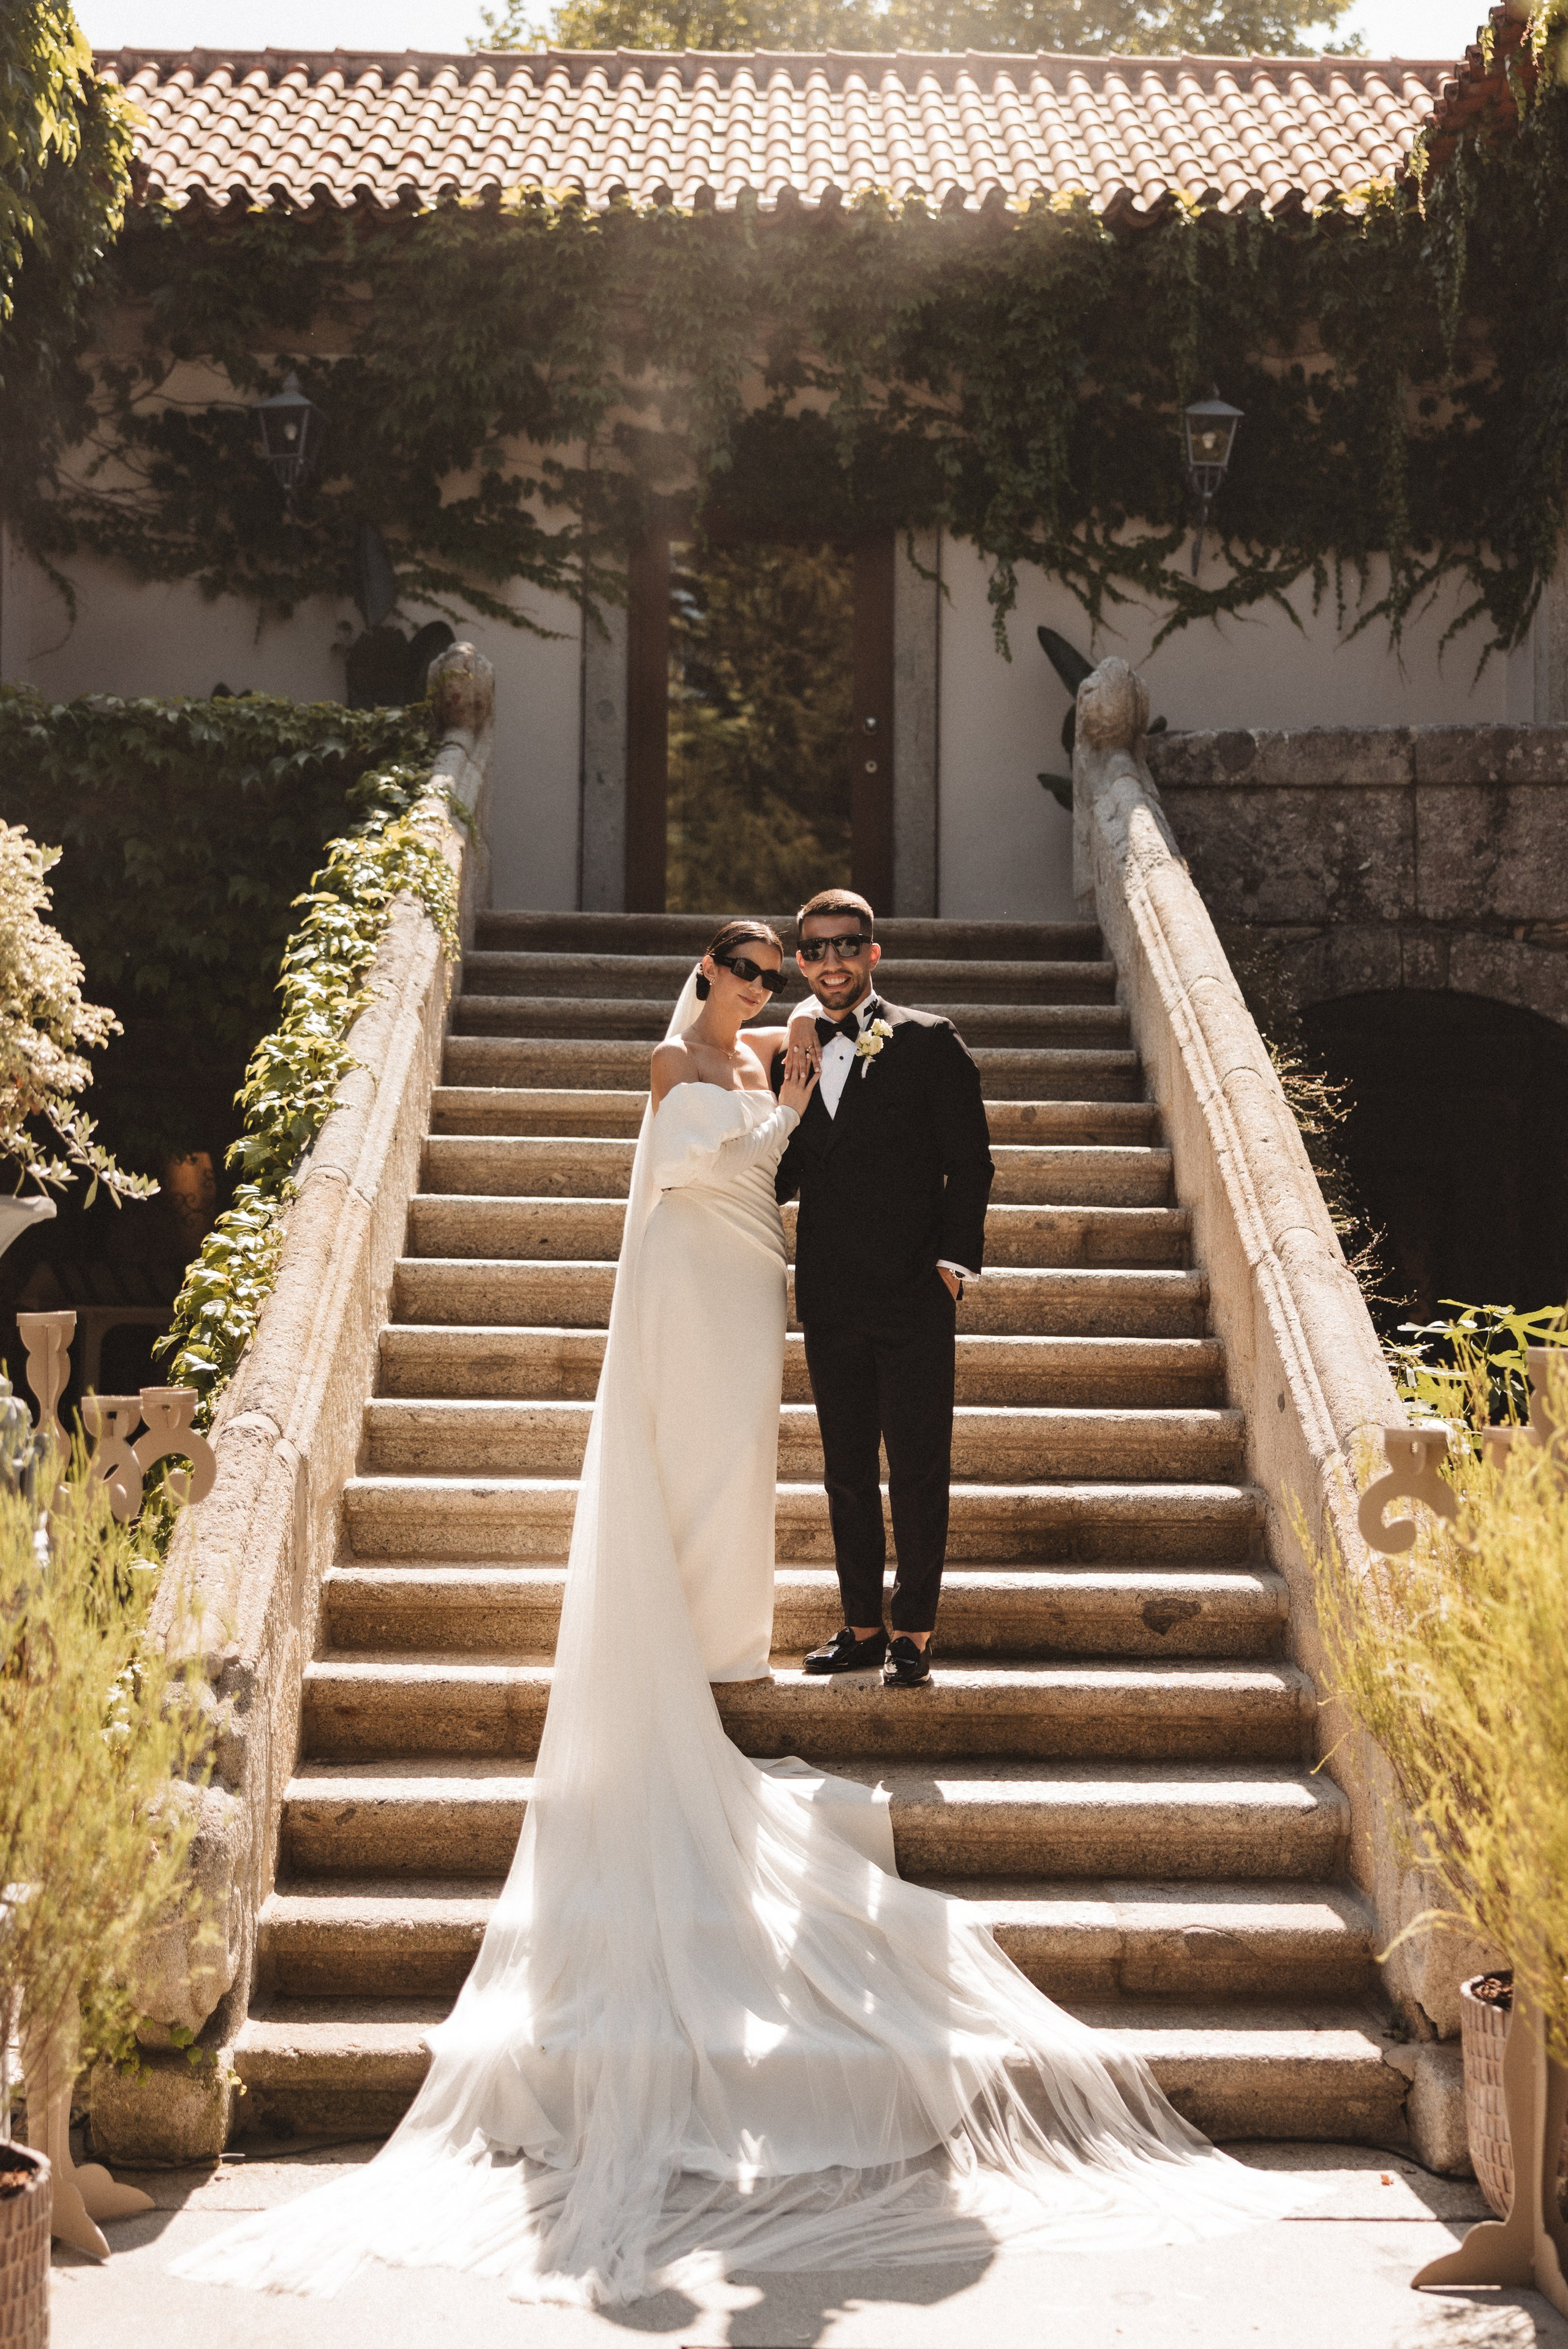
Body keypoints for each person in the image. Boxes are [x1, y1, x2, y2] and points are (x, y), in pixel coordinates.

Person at [170, 920, 1295, 2313]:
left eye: (788, 966)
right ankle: (708, 1632)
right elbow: (746, 1145)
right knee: (720, 1464)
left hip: (782, 1278)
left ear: (839, 959)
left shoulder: (820, 1043)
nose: (769, 984)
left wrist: (937, 1232)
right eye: (751, 966)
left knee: (780, 1469)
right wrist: (786, 1079)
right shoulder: (684, 1058)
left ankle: (869, 1624)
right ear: (706, 973)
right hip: (708, 1278)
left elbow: (884, 1146)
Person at [772, 888, 992, 1688]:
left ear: (873, 953)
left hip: (913, 1288)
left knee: (919, 1462)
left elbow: (969, 1161)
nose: (832, 961)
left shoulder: (930, 1041)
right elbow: (784, 1167)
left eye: (847, 945)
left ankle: (915, 1632)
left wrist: (952, 1264)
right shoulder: (788, 1054)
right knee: (844, 1465)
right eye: (816, 948)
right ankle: (862, 1624)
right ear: (800, 961)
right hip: (829, 1289)